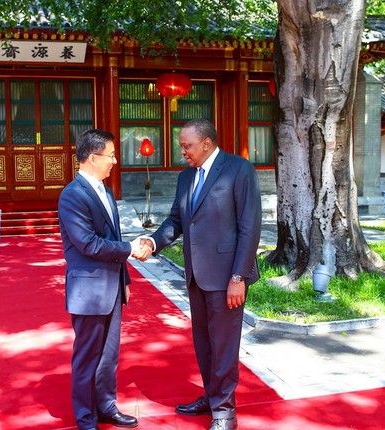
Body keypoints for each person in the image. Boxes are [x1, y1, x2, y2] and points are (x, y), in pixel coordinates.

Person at [140, 119, 261, 430]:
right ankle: (210, 396)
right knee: (205, 343)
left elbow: (250, 227)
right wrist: (153, 242)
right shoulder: (185, 178)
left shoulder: (238, 169)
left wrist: (239, 277)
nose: (183, 152)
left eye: (187, 146)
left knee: (224, 345)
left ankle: (225, 413)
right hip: (196, 276)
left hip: (226, 278)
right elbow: (176, 222)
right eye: (182, 146)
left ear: (206, 143)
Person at [58, 128, 149, 430]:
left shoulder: (105, 191)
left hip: (112, 287)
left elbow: (112, 236)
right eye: (110, 156)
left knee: (109, 356)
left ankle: (107, 406)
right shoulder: (72, 195)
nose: (114, 161)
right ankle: (86, 418)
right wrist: (129, 250)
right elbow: (89, 243)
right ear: (93, 158)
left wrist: (125, 280)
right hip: (89, 290)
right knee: (87, 357)